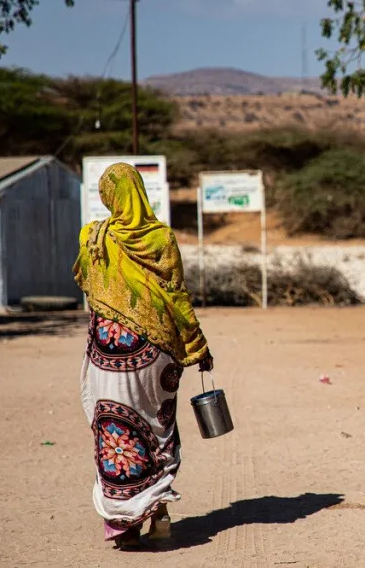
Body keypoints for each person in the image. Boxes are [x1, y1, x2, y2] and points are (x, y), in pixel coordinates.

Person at [73, 163, 213, 550]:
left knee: (114, 429)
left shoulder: (92, 236)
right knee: (156, 426)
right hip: (157, 353)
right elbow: (177, 295)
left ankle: (124, 522)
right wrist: (198, 346)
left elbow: (86, 282)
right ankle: (159, 511)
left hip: (108, 349)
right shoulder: (161, 238)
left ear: (108, 196)